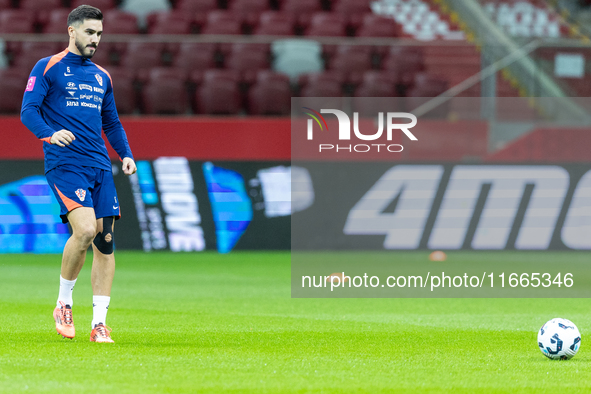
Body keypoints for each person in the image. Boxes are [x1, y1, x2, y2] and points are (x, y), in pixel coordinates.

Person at [21, 5, 136, 343]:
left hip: (100, 164)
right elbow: (28, 110)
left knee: (106, 242)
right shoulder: (48, 67)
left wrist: (125, 154)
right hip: (65, 162)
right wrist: (49, 133)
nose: (95, 39)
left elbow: (111, 123)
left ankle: (99, 323)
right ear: (71, 30)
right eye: (89, 32)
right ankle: (64, 302)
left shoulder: (102, 76)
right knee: (84, 230)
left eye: (99, 34)